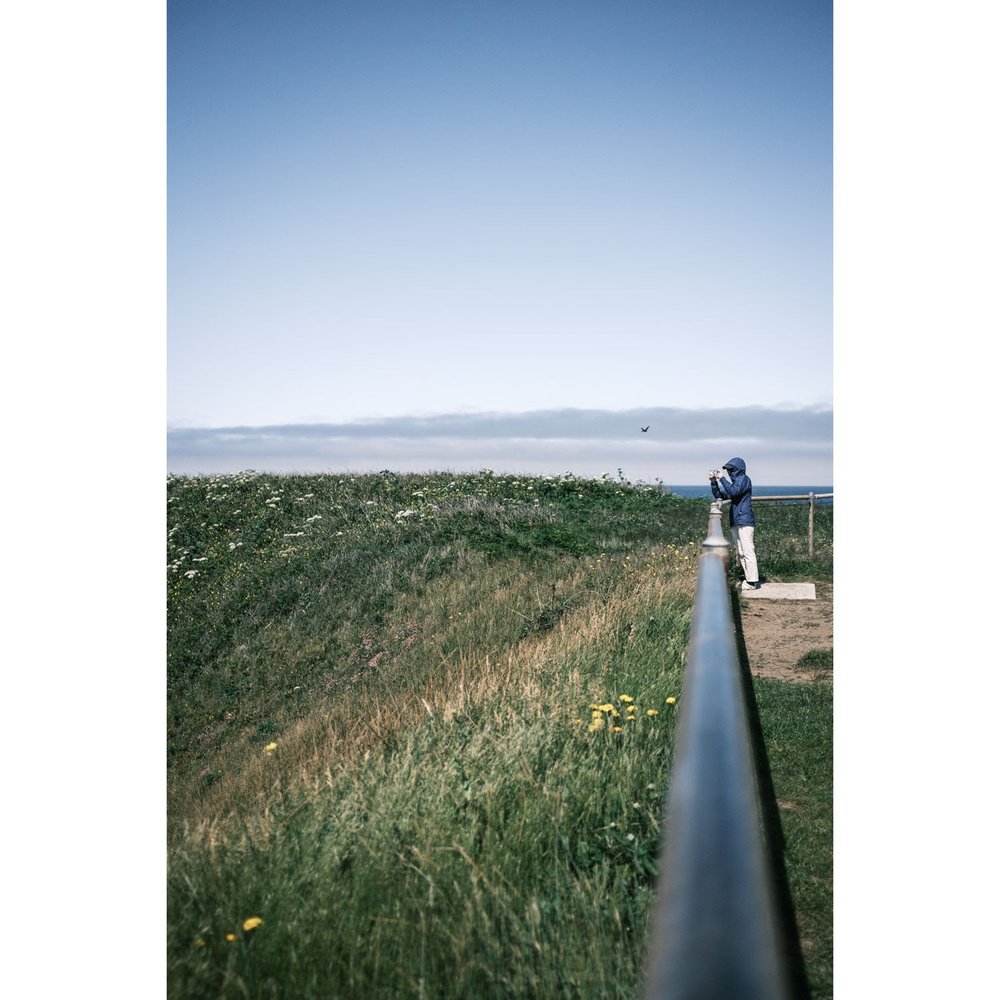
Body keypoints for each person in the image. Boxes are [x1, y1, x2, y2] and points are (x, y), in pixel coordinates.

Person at [709, 457, 760, 590]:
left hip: (744, 520)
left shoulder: (744, 480)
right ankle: (749, 580)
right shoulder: (735, 483)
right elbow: (721, 495)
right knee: (742, 551)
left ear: (738, 469)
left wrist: (722, 479)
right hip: (737, 520)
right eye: (728, 470)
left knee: (748, 551)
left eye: (731, 469)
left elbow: (733, 492)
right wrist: (714, 482)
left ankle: (753, 581)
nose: (729, 472)